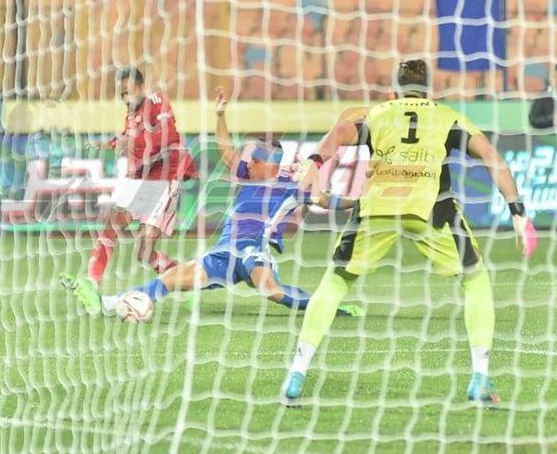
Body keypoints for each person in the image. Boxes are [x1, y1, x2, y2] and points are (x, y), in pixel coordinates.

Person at [280, 59, 538, 408]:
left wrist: (314, 163)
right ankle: (480, 377)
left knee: (336, 282)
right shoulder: (446, 116)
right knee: (475, 279)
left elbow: (340, 132)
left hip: (377, 206)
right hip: (429, 209)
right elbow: (492, 158)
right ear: (429, 92)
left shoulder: (379, 113)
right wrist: (517, 211)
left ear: (394, 91)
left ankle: (297, 372)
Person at [65, 88, 362, 318]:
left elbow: (325, 200)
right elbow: (226, 150)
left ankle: (331, 309)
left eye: (254, 160)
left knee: (272, 291)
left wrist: (357, 203)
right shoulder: (248, 174)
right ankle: (111, 303)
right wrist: (220, 115)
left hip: (254, 249)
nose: (246, 163)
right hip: (225, 250)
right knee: (172, 279)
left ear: (267, 163)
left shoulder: (294, 180)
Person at [65, 66, 196, 289]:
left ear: (142, 87)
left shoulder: (156, 101)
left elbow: (165, 137)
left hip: (166, 176)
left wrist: (133, 142)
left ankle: (186, 279)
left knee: (144, 251)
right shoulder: (131, 115)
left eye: (130, 91)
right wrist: (109, 144)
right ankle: (92, 281)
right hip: (141, 177)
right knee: (111, 224)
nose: (126, 96)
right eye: (122, 93)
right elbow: (128, 139)